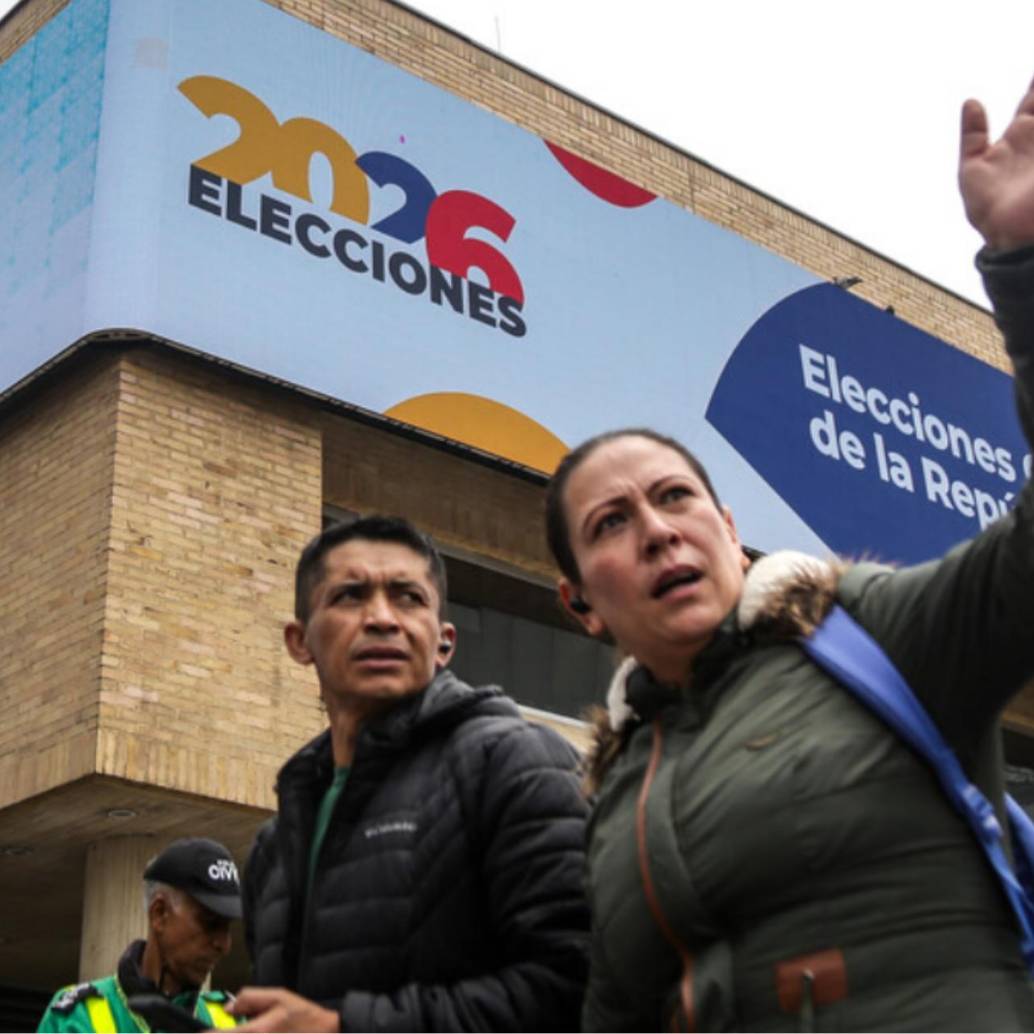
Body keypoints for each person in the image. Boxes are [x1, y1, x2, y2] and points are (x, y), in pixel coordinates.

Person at [544, 80, 1034, 1031]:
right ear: (580, 605)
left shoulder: (881, 632)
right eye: (611, 523)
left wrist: (1024, 265)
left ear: (730, 529)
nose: (655, 529)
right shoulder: (610, 797)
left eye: (676, 497)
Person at [232, 514, 589, 1032]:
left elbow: (579, 988)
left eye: (408, 598)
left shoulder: (517, 764)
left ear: (444, 643)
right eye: (350, 596)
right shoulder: (273, 847)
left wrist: (344, 1028)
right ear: (299, 641)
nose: (382, 618)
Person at [37, 837, 242, 1032]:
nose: (224, 944)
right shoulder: (78, 1018)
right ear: (159, 914)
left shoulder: (235, 1020)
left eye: (227, 926)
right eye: (210, 923)